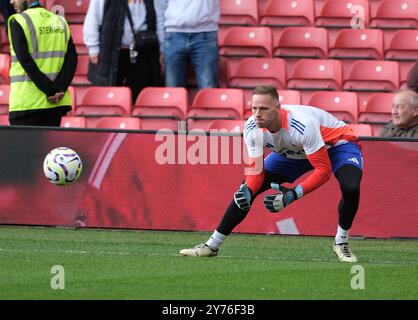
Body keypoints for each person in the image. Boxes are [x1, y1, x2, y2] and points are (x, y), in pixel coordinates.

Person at [180, 86, 364, 263]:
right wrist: (249, 190)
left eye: (263, 108)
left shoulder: (302, 124)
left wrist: (293, 194)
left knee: (351, 187)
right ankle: (211, 246)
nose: (257, 113)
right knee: (244, 191)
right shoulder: (252, 127)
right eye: (254, 108)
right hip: (293, 152)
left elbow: (323, 171)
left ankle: (341, 242)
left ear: (277, 108)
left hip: (337, 146)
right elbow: (256, 170)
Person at [8, 0, 77, 126]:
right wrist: (59, 89)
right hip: (55, 104)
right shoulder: (60, 21)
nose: (11, 1)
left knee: (24, 147)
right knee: (48, 147)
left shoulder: (18, 21)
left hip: (27, 104)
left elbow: (25, 61)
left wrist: (50, 90)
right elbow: (72, 59)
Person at [83, 0, 164, 102]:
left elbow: (159, 19)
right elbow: (93, 16)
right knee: (109, 96)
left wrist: (162, 48)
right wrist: (93, 47)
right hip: (112, 52)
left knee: (140, 96)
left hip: (143, 51)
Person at [159, 0, 220, 89]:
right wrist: (161, 43)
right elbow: (160, 10)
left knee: (208, 89)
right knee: (173, 90)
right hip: (174, 33)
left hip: (205, 33)